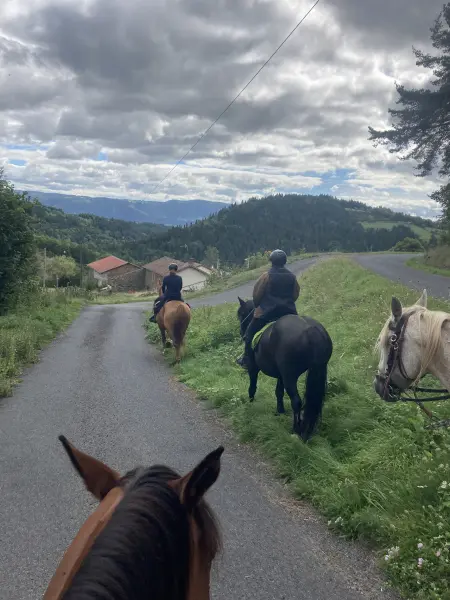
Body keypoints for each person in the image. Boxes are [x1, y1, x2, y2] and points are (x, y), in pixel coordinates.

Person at [236, 249, 300, 369]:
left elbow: (257, 295)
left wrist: (259, 305)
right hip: (289, 312)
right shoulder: (292, 277)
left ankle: (246, 360)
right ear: (284, 261)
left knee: (249, 335)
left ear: (271, 261)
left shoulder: (266, 276)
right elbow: (295, 294)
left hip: (267, 312)